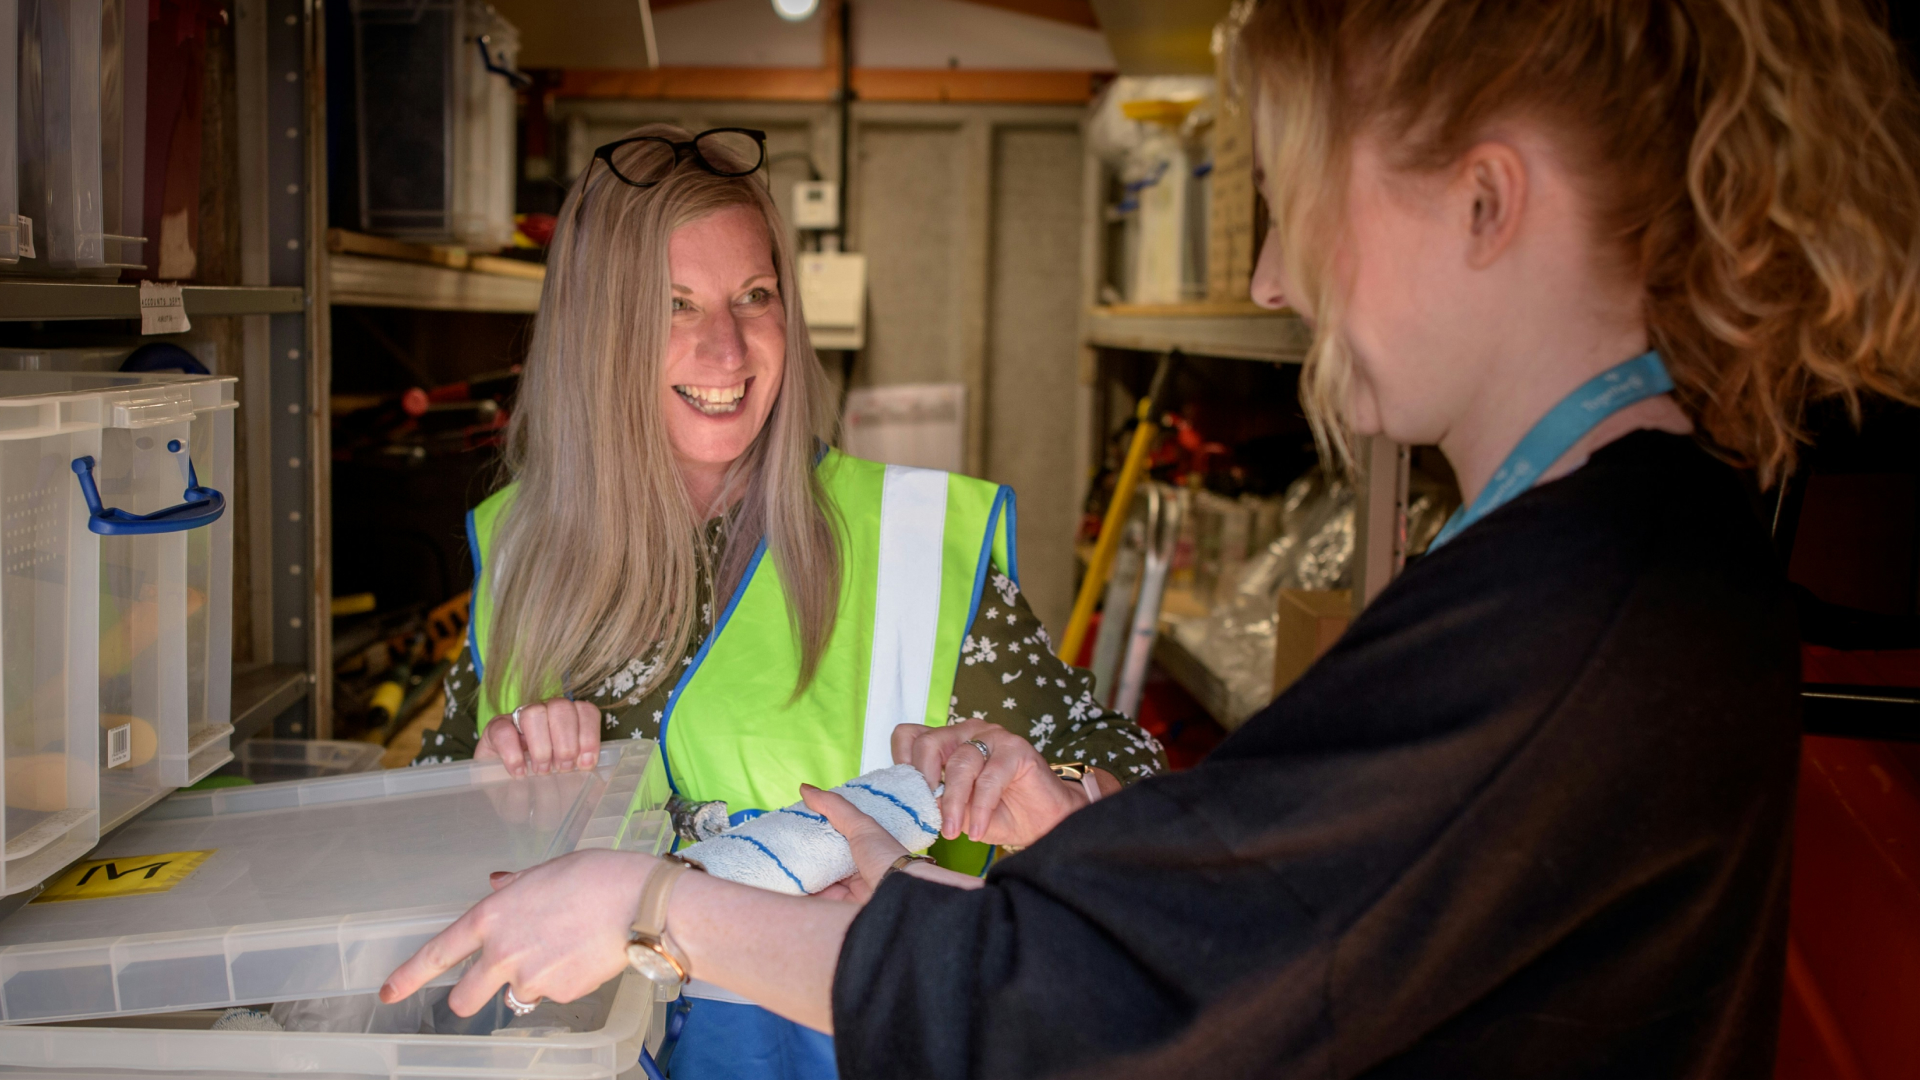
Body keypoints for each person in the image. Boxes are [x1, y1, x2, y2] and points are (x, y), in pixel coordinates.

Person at [384, 2, 1920, 1076]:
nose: (1266, 278)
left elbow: (1096, 1008)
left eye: (1305, 200)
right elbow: (1250, 922)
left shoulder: (1580, 621)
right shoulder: (1624, 570)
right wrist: (1075, 834)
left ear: (1482, 200)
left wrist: (655, 906)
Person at [414, 122, 1166, 1078]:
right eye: (672, 303)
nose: (724, 347)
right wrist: (490, 786)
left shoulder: (907, 540)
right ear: (595, 329)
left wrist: (1060, 796)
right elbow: (424, 828)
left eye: (754, 296)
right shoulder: (520, 546)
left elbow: (1123, 762)